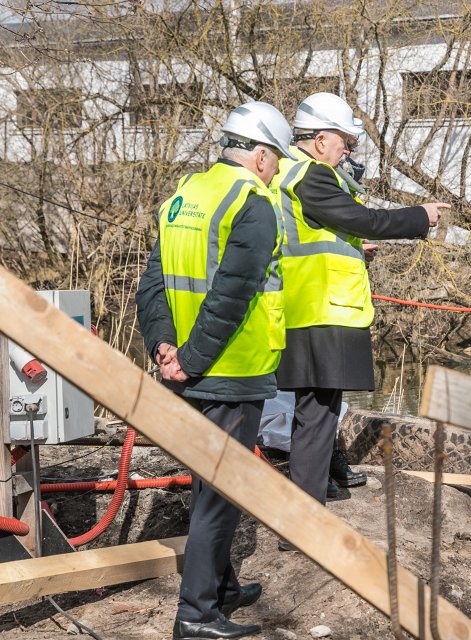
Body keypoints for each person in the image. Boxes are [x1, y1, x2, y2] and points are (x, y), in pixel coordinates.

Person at [135, 101, 295, 639]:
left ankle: (221, 587)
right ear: (262, 155)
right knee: (221, 494)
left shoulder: (186, 194)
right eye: (275, 159)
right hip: (230, 370)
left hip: (187, 369)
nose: (274, 169)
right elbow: (232, 294)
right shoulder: (252, 202)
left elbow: (152, 282)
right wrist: (193, 359)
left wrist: (164, 346)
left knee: (209, 485)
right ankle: (197, 615)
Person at [272, 92, 449, 546]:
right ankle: (302, 524)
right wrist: (419, 217)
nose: (348, 150)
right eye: (345, 141)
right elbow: (363, 217)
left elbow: (322, 229)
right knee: (315, 415)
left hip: (305, 306)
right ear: (320, 138)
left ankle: (309, 506)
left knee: (315, 413)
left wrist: (352, 246)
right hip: (320, 309)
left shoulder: (288, 173)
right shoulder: (310, 176)